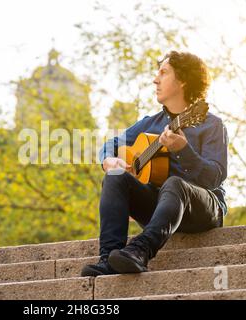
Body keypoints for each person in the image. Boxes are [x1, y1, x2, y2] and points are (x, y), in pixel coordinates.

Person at [81, 51, 228, 276]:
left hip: (203, 210)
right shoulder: (150, 124)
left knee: (174, 183)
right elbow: (111, 144)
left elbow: (214, 177)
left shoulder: (210, 124)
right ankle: (109, 258)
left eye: (163, 72)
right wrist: (108, 160)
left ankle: (141, 250)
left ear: (183, 81)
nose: (155, 79)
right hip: (161, 211)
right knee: (115, 177)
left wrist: (183, 151)